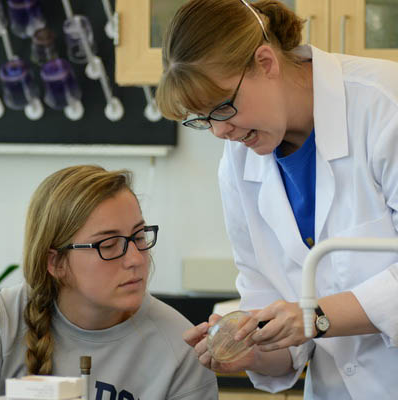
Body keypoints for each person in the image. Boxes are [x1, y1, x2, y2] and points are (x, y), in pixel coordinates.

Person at [155, 0, 398, 399]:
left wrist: (316, 318)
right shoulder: (237, 164)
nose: (219, 132)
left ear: (266, 62)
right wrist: (249, 350)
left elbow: (308, 319)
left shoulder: (384, 104)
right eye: (203, 119)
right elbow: (280, 325)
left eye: (223, 108)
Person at [0, 165, 218, 400]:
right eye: (108, 245)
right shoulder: (5, 322)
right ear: (56, 262)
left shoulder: (180, 347)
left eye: (139, 236)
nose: (135, 259)